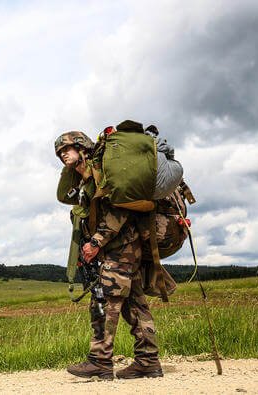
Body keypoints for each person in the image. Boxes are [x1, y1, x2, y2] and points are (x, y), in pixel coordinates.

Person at [54, 129, 163, 380]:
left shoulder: (102, 172)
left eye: (67, 149)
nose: (62, 154)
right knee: (135, 304)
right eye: (59, 152)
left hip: (122, 247)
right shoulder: (84, 181)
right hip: (120, 249)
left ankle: (100, 361)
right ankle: (148, 361)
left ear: (82, 148)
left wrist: (96, 241)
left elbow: (121, 210)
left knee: (103, 301)